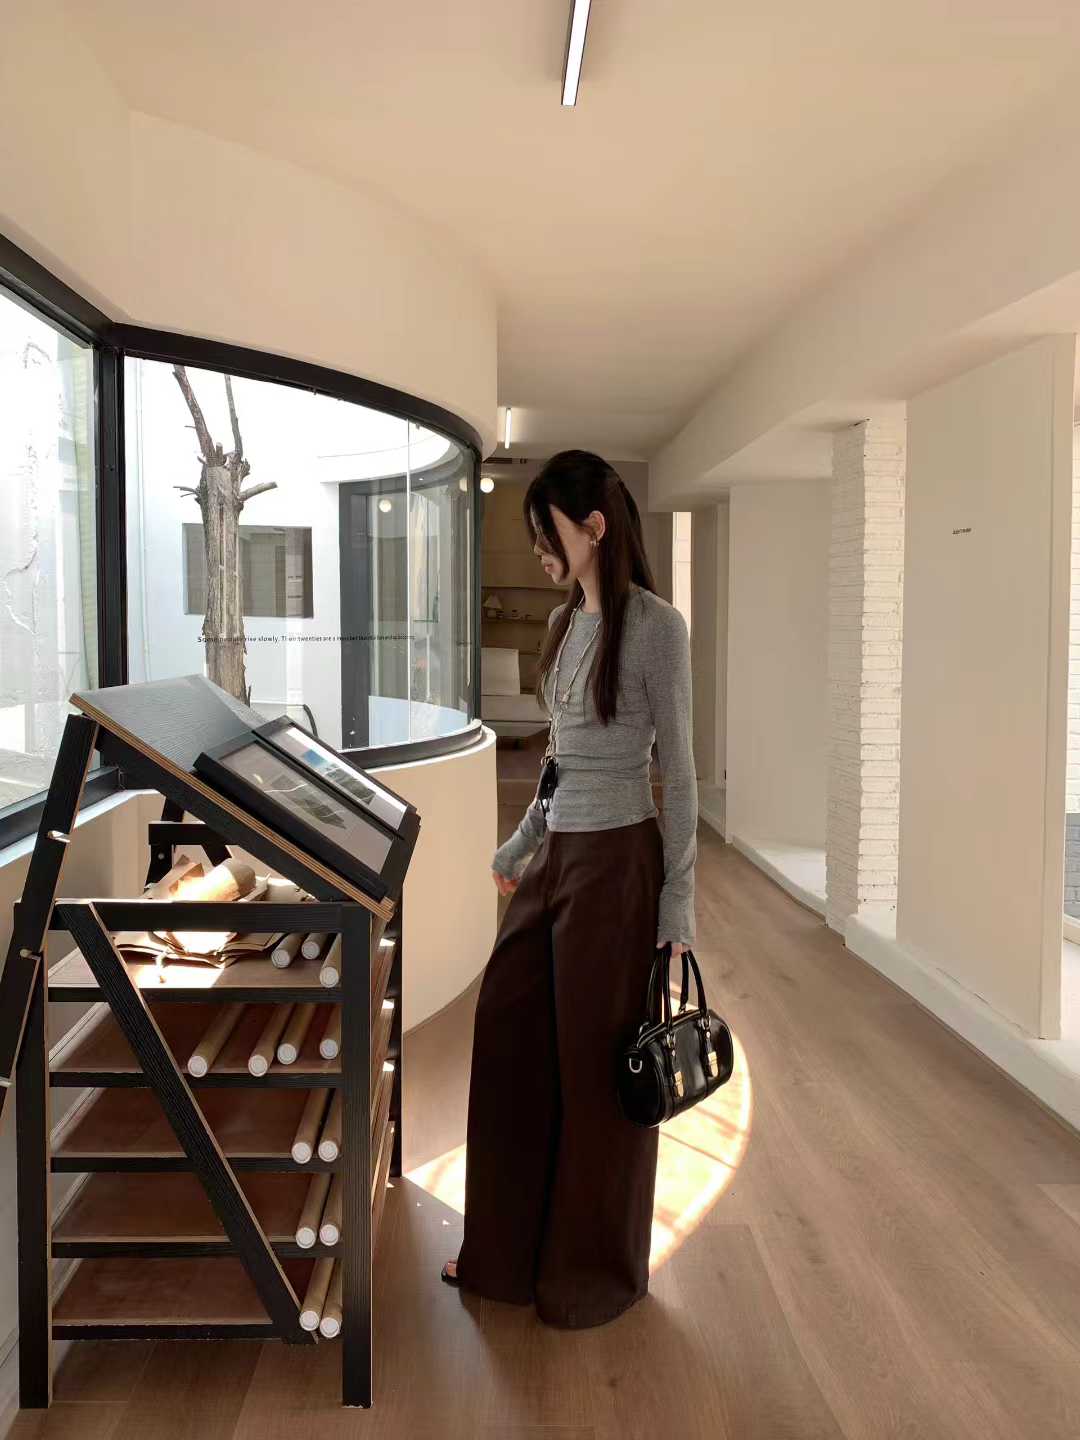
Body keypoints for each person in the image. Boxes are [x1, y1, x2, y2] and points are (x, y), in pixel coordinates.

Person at [441, 449, 698, 1328]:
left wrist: (678, 901)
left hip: (621, 861)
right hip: (556, 857)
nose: (540, 551)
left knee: (595, 1069)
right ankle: (505, 1253)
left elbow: (681, 772)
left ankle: (588, 1273)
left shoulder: (657, 628)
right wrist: (523, 840)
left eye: (547, 533)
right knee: (509, 1036)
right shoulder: (561, 625)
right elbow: (561, 756)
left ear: (594, 526)